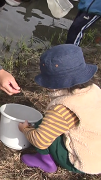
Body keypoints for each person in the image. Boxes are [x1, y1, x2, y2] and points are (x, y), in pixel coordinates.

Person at [18, 44, 101, 174]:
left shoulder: (63, 109)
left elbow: (40, 140)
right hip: (97, 153)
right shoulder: (94, 90)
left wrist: (25, 129)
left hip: (83, 162)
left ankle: (45, 161)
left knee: (42, 124)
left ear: (54, 84)